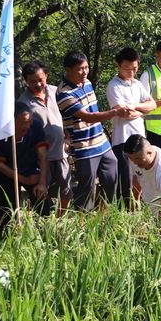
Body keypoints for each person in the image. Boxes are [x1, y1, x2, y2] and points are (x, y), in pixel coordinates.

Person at [56, 51, 124, 212]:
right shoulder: (64, 94)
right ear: (68, 70)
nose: (85, 72)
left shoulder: (87, 83)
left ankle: (104, 212)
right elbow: (88, 116)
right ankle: (82, 218)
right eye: (80, 69)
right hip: (84, 147)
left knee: (112, 174)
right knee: (86, 185)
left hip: (101, 140)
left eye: (86, 67)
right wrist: (115, 112)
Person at [17, 60, 71, 216]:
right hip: (41, 157)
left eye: (40, 79)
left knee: (66, 192)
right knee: (41, 194)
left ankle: (61, 221)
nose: (38, 84)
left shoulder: (56, 92)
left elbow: (68, 116)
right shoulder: (23, 102)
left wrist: (68, 138)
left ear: (46, 76)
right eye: (33, 81)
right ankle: (44, 225)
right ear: (26, 81)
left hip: (61, 153)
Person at [0, 104, 49, 232]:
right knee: (7, 209)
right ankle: (7, 238)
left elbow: (43, 155)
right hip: (5, 171)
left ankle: (45, 234)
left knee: (42, 202)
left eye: (30, 121)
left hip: (30, 169)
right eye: (23, 122)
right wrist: (23, 180)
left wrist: (42, 183)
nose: (28, 125)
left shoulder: (35, 126)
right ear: (11, 121)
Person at [107, 47, 156, 206]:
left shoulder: (136, 84)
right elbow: (124, 113)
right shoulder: (113, 86)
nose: (131, 72)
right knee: (126, 181)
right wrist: (142, 109)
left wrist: (134, 107)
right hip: (123, 140)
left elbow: (152, 104)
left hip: (140, 138)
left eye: (134, 68)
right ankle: (126, 212)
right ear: (118, 65)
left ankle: (140, 209)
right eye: (127, 69)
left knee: (141, 178)